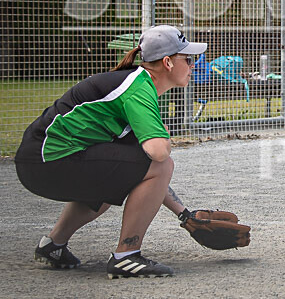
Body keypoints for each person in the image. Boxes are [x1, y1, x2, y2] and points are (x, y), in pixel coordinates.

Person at [15, 25, 207, 278]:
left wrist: (184, 214)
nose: (193, 65)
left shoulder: (137, 83)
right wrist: (163, 134)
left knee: (116, 179)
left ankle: (53, 245)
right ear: (168, 63)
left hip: (39, 162)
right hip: (48, 160)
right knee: (160, 164)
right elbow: (159, 154)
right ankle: (126, 256)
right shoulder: (138, 89)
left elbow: (140, 171)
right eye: (188, 59)